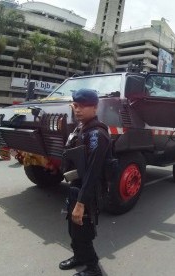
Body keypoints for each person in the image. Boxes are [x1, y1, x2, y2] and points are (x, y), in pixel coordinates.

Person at [59, 88, 109, 276]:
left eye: (83, 106)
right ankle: (79, 257)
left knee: (83, 230)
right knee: (73, 227)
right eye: (76, 106)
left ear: (95, 107)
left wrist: (81, 203)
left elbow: (93, 172)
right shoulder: (82, 128)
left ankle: (92, 267)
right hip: (76, 187)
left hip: (88, 190)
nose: (78, 110)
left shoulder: (97, 134)